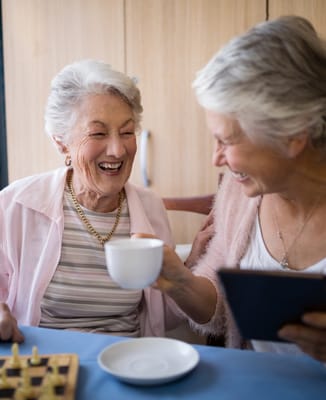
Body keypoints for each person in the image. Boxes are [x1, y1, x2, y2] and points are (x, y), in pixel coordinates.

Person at [143, 15, 326, 362]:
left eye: (226, 141)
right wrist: (181, 282)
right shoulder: (239, 193)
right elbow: (221, 309)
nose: (216, 159)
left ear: (294, 135)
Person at [0, 59, 182, 342]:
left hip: (129, 363)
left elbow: (167, 318)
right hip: (46, 363)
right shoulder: (15, 204)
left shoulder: (150, 208)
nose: (117, 150)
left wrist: (189, 268)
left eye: (126, 132)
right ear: (61, 142)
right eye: (98, 133)